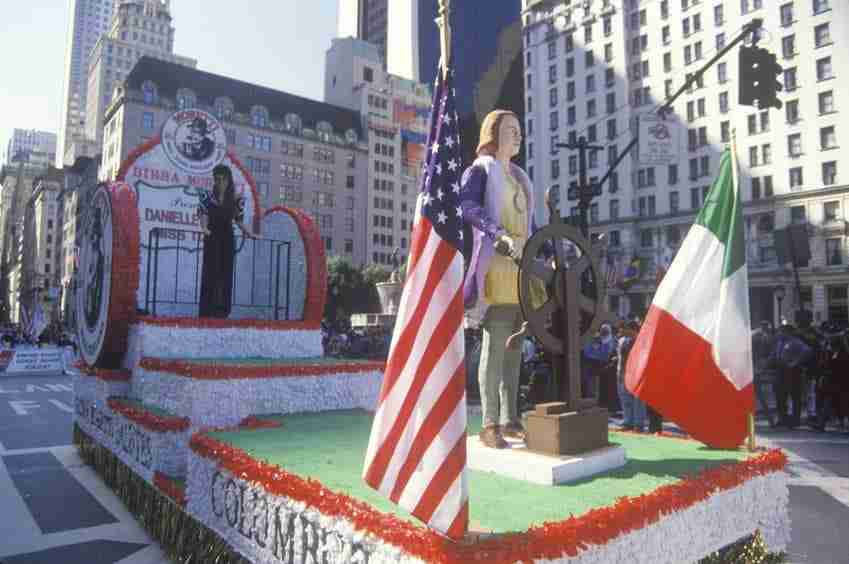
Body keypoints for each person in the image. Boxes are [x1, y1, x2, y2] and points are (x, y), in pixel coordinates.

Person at [460, 109, 539, 449]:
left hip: (523, 275)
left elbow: (531, 226)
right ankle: (489, 422)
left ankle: (511, 419)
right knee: (495, 350)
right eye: (510, 130)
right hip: (496, 269)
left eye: (519, 130)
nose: (517, 135)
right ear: (493, 134)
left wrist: (543, 254)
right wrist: (497, 232)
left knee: (515, 351)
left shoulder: (520, 178)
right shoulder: (480, 171)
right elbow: (466, 206)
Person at [197, 164, 256, 318]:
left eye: (223, 179)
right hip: (211, 237)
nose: (220, 182)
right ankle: (206, 311)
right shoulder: (206, 196)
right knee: (210, 273)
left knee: (225, 273)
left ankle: (222, 311)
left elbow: (239, 220)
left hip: (227, 239)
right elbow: (203, 214)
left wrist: (250, 233)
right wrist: (204, 228)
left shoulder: (237, 199)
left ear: (229, 180)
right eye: (217, 179)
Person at [617, 320, 646, 431]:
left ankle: (639, 424)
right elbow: (620, 358)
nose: (624, 331)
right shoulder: (621, 341)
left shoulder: (641, 340)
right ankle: (627, 421)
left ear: (632, 330)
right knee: (625, 399)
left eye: (627, 329)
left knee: (638, 400)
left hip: (636, 373)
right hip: (622, 373)